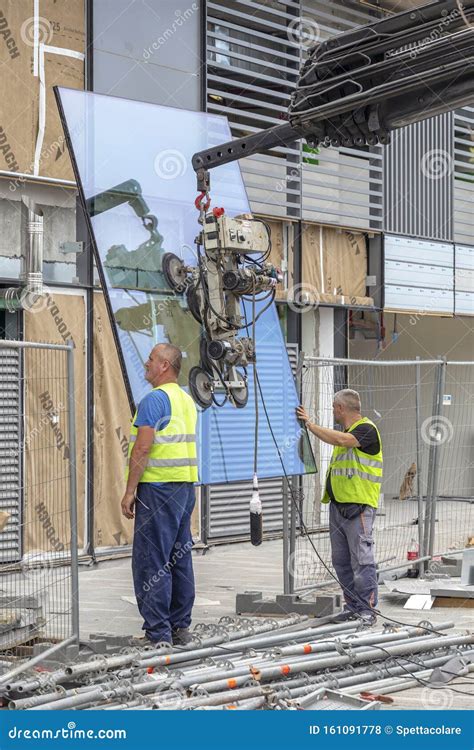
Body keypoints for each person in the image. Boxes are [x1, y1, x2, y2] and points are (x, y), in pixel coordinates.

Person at [121, 343, 198, 646]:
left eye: (151, 359)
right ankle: (180, 628)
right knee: (179, 558)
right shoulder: (185, 400)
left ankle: (157, 634)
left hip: (158, 488)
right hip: (184, 487)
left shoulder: (154, 400)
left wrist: (130, 490)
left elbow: (142, 447)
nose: (146, 364)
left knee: (151, 560)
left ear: (165, 365)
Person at [297, 389, 382, 625]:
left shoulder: (366, 430)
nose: (333, 412)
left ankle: (367, 609)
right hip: (339, 508)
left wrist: (311, 426)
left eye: (334, 408)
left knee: (362, 560)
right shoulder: (346, 432)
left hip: (359, 508)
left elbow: (340, 440)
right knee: (341, 561)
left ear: (341, 408)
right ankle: (353, 607)